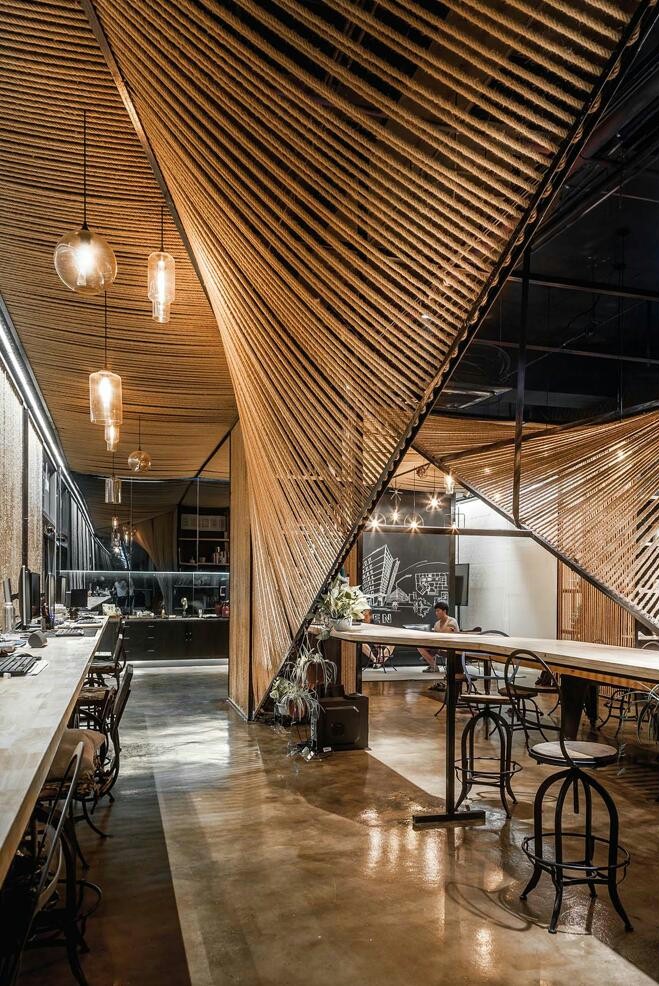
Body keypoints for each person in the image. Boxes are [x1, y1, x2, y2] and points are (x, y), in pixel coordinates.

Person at [418, 600, 459, 672]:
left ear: (444, 611)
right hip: (439, 646)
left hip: (451, 647)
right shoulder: (437, 624)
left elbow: (447, 634)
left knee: (431, 649)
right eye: (436, 611)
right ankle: (433, 666)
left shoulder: (452, 621)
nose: (436, 613)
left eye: (438, 611)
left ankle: (430, 659)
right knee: (420, 646)